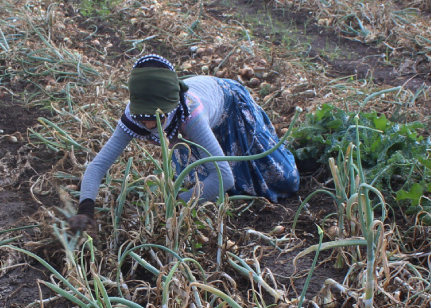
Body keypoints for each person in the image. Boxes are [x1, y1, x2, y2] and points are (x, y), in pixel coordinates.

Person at [68, 55, 299, 231]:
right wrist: (86, 209)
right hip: (183, 134)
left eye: (156, 118)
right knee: (199, 183)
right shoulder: (134, 115)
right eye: (143, 117)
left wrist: (175, 206)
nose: (149, 125)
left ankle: (294, 157)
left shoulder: (190, 114)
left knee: (280, 178)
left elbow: (224, 178)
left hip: (227, 104)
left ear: (171, 107)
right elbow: (98, 167)